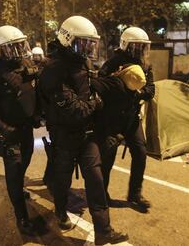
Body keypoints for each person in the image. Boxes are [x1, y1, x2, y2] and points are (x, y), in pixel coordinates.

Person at [39, 15, 128, 245]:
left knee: (96, 183)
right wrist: (96, 103)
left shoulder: (82, 63)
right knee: (62, 181)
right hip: (64, 135)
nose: (88, 48)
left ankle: (103, 232)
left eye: (90, 43)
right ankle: (60, 212)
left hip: (87, 135)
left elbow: (86, 94)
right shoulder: (53, 69)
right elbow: (74, 110)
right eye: (83, 43)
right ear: (67, 39)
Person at [0, 25, 39, 235]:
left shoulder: (26, 64)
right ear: (1, 50)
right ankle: (22, 216)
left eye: (20, 46)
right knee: (14, 172)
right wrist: (4, 128)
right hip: (10, 132)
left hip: (27, 129)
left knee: (25, 164)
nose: (19, 51)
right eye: (13, 48)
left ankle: (19, 189)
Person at [98, 27, 155, 211]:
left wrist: (134, 94)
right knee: (108, 157)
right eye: (137, 47)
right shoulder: (112, 63)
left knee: (140, 152)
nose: (140, 51)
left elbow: (150, 90)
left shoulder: (145, 66)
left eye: (143, 47)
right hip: (112, 118)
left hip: (132, 117)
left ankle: (135, 194)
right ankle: (102, 194)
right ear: (126, 45)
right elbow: (102, 86)